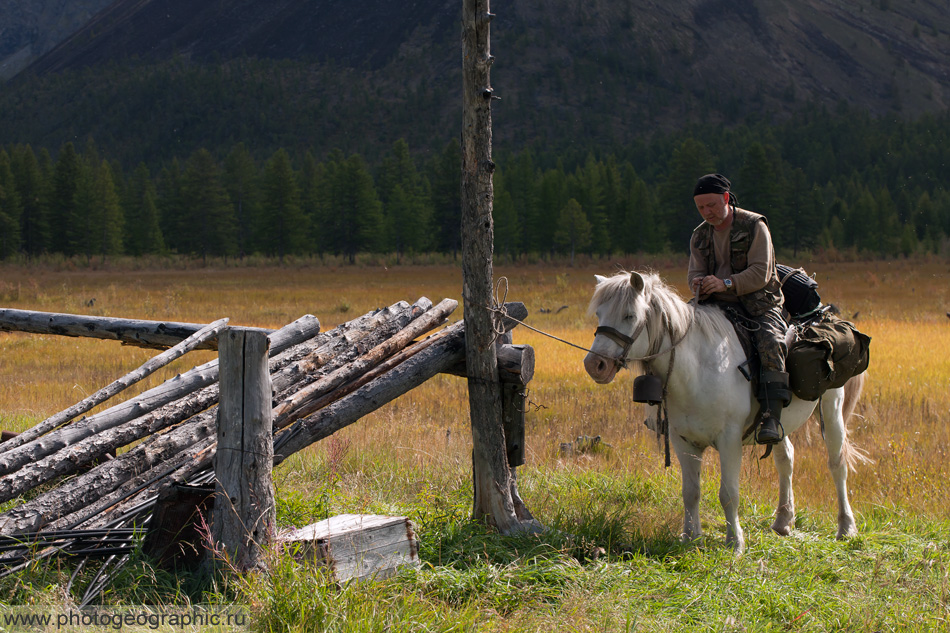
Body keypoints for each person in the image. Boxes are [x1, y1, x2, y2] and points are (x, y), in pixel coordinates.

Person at [687, 174, 790, 445]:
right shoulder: (699, 235)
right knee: (675, 330)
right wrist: (698, 283)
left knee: (771, 343)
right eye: (701, 208)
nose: (706, 212)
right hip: (715, 303)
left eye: (711, 205)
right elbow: (693, 273)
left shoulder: (755, 225)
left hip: (759, 304)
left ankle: (771, 416)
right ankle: (667, 409)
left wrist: (725, 283)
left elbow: (761, 272)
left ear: (725, 199)